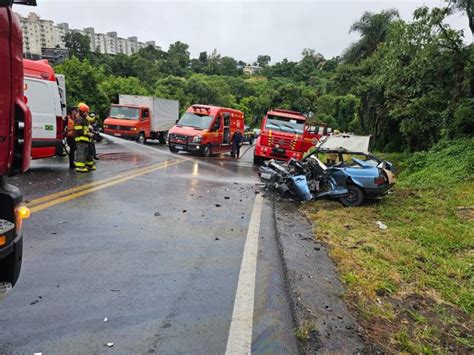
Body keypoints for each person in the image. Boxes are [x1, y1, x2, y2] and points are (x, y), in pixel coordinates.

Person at [74, 103, 95, 173]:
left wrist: (90, 129)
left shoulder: (84, 120)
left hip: (85, 140)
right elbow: (78, 130)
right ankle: (79, 167)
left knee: (86, 153)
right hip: (80, 140)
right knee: (81, 154)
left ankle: (86, 165)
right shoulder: (79, 119)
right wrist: (88, 133)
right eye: (86, 112)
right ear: (82, 112)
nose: (87, 114)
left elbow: (85, 128)